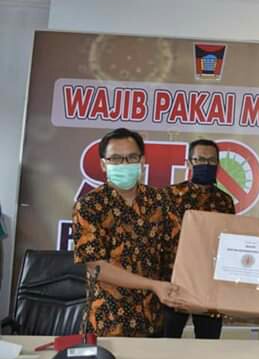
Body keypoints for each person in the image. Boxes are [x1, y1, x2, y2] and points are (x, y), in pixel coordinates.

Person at [73, 128, 182, 337]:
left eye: (131, 157)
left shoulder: (160, 201)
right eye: (115, 158)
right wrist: (153, 285)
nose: (124, 164)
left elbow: (176, 254)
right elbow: (96, 266)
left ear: (142, 161)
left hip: (152, 321)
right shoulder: (89, 205)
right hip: (107, 322)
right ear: (103, 164)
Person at [162, 139, 235, 339]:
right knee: (166, 343)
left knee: (208, 344)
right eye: (200, 159)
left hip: (210, 284)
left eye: (211, 161)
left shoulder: (225, 201)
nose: (206, 164)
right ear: (188, 163)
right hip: (174, 282)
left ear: (218, 165)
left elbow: (229, 242)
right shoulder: (169, 195)